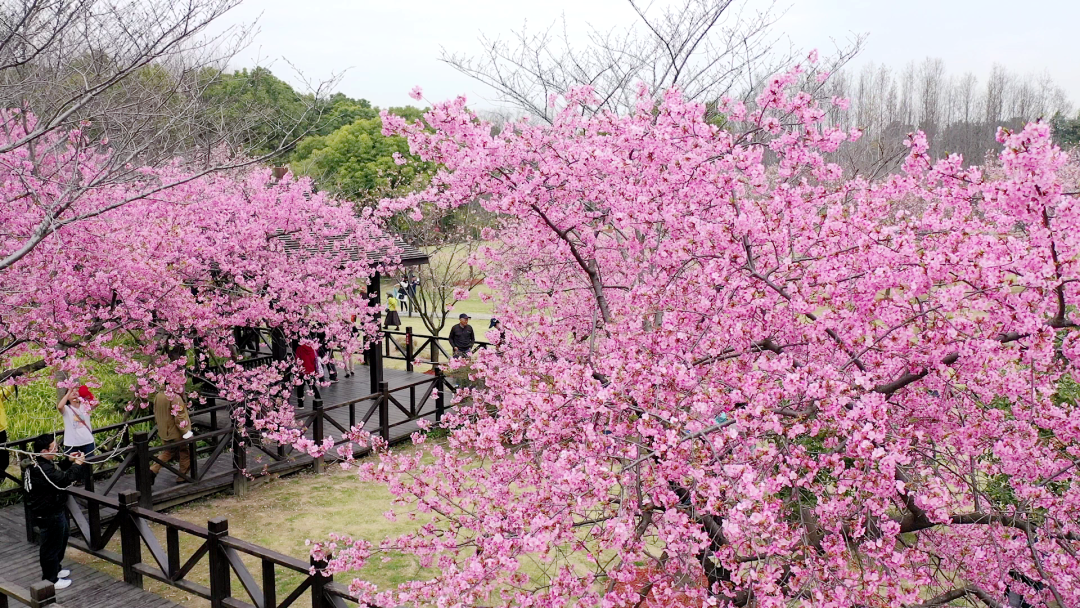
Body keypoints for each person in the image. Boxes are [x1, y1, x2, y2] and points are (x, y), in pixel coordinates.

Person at [26, 433, 85, 589]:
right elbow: (64, 479)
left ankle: (55, 569)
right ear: (44, 451)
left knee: (61, 539)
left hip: (55, 508)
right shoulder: (41, 469)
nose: (57, 449)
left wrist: (69, 461)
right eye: (54, 447)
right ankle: (50, 579)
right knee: (50, 546)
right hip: (47, 512)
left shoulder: (42, 463)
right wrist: (78, 465)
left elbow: (57, 472)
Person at [149, 385, 193, 484]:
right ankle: (182, 476)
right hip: (176, 432)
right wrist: (186, 432)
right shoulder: (174, 397)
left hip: (164, 430)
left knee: (168, 452)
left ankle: (153, 470)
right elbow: (179, 417)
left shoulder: (159, 395)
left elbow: (155, 412)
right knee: (185, 451)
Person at [57, 385, 95, 457]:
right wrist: (69, 392)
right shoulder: (66, 409)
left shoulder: (85, 406)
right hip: (72, 443)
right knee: (72, 463)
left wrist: (86, 392)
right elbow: (59, 406)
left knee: (89, 462)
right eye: (72, 391)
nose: (74, 393)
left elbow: (96, 403)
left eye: (76, 391)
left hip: (87, 441)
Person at [294, 340, 321, 406]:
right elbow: (316, 359)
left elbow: (297, 360)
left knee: (300, 387)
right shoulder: (313, 348)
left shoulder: (299, 349)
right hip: (311, 371)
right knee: (313, 386)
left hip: (302, 371)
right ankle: (319, 401)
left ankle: (300, 404)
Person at [0, 382, 12, 480]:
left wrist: (13, 383)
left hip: (1, 430)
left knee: (4, 459)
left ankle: (1, 478)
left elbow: (3, 394)